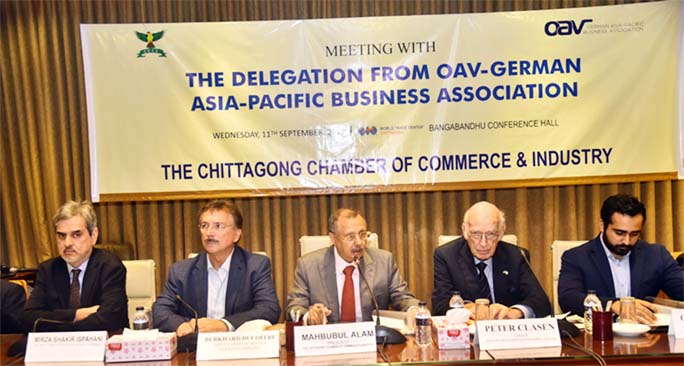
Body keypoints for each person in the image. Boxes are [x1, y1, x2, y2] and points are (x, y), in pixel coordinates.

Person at [152, 200, 280, 336]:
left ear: (236, 234)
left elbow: (269, 309)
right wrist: (183, 325)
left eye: (218, 226)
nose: (209, 233)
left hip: (238, 348)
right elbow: (160, 310)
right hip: (195, 350)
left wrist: (224, 324)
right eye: (204, 226)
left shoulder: (255, 266)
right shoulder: (181, 271)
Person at [558, 194, 684, 323]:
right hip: (598, 336)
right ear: (602, 225)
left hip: (646, 335)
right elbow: (569, 298)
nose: (627, 241)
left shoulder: (656, 255)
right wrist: (613, 305)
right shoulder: (576, 257)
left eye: (634, 234)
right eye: (619, 233)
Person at [286, 208, 420, 324]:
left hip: (372, 341)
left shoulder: (384, 262)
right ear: (333, 238)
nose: (359, 243)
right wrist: (309, 316)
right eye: (350, 237)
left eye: (362, 235)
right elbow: (294, 307)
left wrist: (414, 310)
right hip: (328, 342)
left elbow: (403, 297)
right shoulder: (308, 266)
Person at [432, 201, 551, 319]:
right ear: (465, 230)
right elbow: (440, 305)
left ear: (501, 232)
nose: (483, 243)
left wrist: (514, 312)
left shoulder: (516, 256)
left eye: (491, 234)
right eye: (476, 234)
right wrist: (468, 308)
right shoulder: (446, 256)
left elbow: (541, 302)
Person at [23, 200, 129, 332]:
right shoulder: (48, 270)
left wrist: (56, 323)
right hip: (57, 349)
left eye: (76, 235)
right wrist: (76, 315)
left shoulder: (110, 267)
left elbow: (110, 319)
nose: (67, 243)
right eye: (61, 236)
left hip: (102, 347)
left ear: (93, 236)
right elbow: (28, 318)